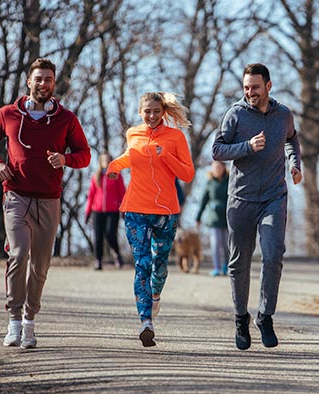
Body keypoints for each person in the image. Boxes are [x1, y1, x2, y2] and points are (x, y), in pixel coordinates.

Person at [0, 57, 91, 349]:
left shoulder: (66, 119)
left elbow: (85, 154)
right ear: (29, 82)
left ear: (55, 84)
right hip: (16, 195)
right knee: (18, 253)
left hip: (49, 200)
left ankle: (30, 321)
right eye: (38, 79)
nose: (44, 84)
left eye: (49, 79)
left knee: (40, 265)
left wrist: (65, 159)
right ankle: (13, 321)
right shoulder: (8, 114)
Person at [212, 63, 302, 350]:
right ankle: (241, 319)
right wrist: (247, 146)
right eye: (246, 87)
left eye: (255, 87)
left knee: (274, 254)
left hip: (274, 196)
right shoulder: (235, 114)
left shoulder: (283, 114)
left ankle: (265, 316)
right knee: (239, 262)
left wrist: (294, 163)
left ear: (268, 86)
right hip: (240, 199)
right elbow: (217, 150)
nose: (250, 92)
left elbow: (292, 138)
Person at [107, 92, 195, 347]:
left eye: (156, 111)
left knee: (160, 265)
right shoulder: (133, 133)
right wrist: (114, 167)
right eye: (147, 111)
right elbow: (129, 157)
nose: (152, 116)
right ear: (140, 112)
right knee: (142, 263)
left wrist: (164, 154)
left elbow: (188, 174)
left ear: (163, 112)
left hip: (166, 212)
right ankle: (146, 321)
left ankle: (155, 296)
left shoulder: (176, 136)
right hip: (135, 209)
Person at [84, 153, 126, 270]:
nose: (105, 161)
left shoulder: (117, 175)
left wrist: (123, 210)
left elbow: (122, 193)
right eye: (103, 159)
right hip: (97, 211)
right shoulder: (95, 177)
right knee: (98, 237)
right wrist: (87, 212)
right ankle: (98, 260)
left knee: (110, 234)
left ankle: (117, 255)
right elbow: (91, 196)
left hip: (112, 211)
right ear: (100, 162)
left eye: (107, 159)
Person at [195, 160, 229, 277]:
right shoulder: (209, 183)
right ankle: (216, 267)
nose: (217, 169)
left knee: (226, 244)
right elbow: (203, 202)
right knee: (215, 243)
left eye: (219, 167)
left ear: (224, 168)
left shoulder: (229, 181)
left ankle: (227, 265)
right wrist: (198, 218)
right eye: (215, 167)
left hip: (227, 218)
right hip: (213, 218)